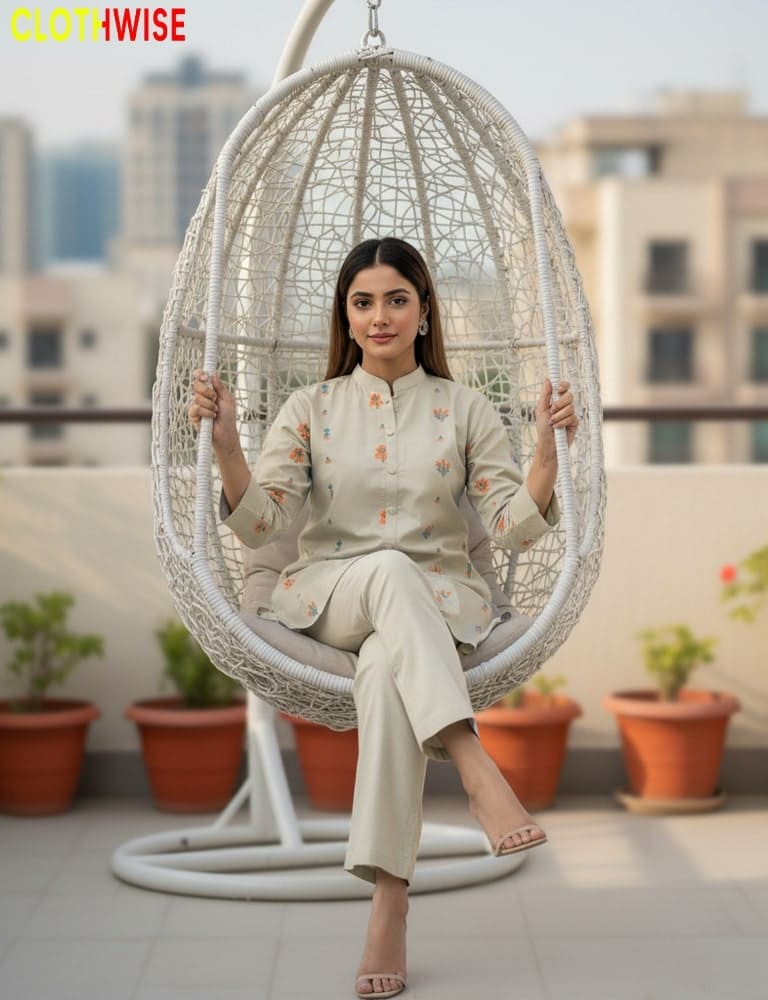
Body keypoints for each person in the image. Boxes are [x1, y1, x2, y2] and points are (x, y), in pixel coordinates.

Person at [188, 236, 578, 1000]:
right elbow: (263, 525)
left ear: (425, 312)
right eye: (362, 302)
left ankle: (388, 907)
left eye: (396, 299)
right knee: (387, 573)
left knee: (382, 676)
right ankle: (473, 764)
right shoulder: (311, 407)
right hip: (329, 595)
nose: (379, 316)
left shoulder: (464, 409)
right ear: (346, 315)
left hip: (439, 607)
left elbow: (508, 521)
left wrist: (544, 453)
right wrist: (229, 445)